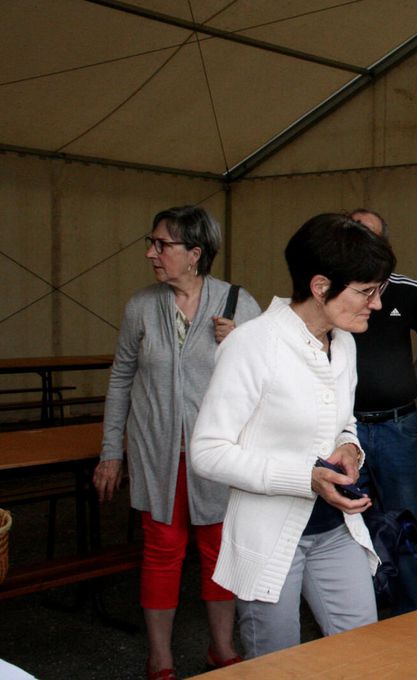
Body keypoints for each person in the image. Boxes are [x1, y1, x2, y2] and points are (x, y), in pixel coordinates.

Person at [190, 214, 395, 658]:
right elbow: (206, 453)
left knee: (363, 653)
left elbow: (343, 421)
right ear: (321, 286)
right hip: (268, 537)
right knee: (277, 664)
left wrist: (349, 448)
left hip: (337, 529)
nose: (376, 304)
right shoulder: (251, 345)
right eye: (365, 291)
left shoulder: (343, 344)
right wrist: (304, 477)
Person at [94, 205, 260, 680]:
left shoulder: (236, 303)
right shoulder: (141, 306)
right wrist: (111, 451)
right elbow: (121, 378)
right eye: (152, 243)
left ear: (195, 253)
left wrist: (242, 341)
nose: (151, 253)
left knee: (217, 549)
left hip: (219, 453)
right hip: (156, 451)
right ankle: (161, 659)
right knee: (162, 550)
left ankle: (222, 649)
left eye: (161, 244)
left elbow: (269, 375)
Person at [348, 208, 417, 613]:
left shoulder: (407, 290)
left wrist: (413, 371)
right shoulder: (334, 292)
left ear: (385, 244)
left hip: (396, 426)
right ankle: (364, 611)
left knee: (404, 520)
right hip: (348, 431)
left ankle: (410, 613)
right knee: (355, 524)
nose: (360, 242)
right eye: (351, 234)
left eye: (367, 235)